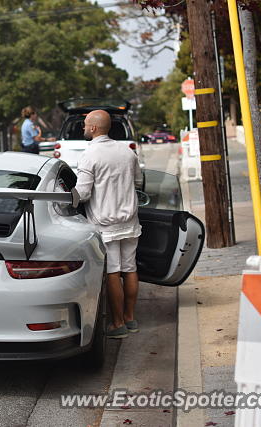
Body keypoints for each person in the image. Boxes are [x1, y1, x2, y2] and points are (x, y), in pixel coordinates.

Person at [75, 110, 143, 339]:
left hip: (106, 224)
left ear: (93, 128)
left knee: (113, 272)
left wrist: (63, 196)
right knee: (130, 268)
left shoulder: (90, 155)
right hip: (130, 221)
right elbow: (138, 182)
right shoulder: (127, 151)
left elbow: (82, 194)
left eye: (85, 124)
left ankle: (117, 323)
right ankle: (131, 318)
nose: (83, 128)